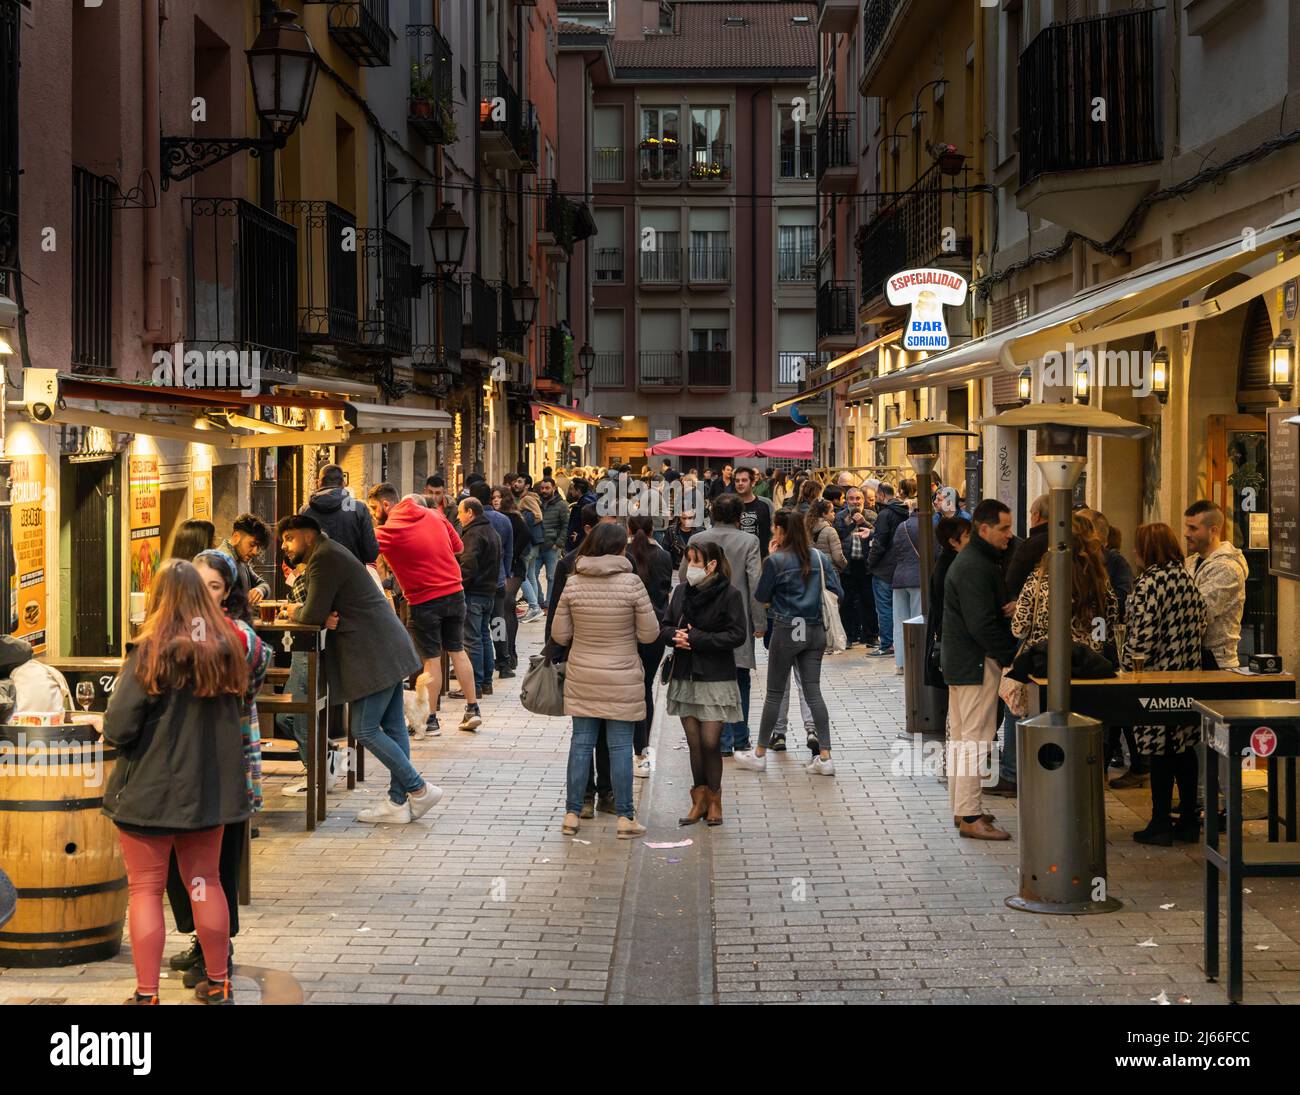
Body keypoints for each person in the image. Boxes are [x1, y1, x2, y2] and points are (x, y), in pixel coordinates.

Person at [102, 560, 249, 1005]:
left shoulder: (150, 652)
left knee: (145, 890)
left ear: (159, 599)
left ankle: (147, 995)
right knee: (205, 882)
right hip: (209, 795)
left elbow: (119, 726)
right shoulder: (227, 650)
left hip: (152, 795)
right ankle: (219, 981)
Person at [279, 514, 441, 825]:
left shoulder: (323, 558)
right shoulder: (330, 552)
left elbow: (312, 613)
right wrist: (319, 614)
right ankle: (396, 802)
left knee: (364, 729)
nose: (285, 546)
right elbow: (321, 612)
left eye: (290, 538)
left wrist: (293, 610)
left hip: (374, 653)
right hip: (386, 646)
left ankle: (418, 789)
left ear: (309, 536)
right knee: (393, 727)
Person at [163, 549, 270, 992]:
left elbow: (241, 659)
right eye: (199, 586)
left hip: (227, 768)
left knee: (218, 866)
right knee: (175, 863)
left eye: (214, 587)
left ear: (227, 593)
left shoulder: (240, 636)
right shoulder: (176, 632)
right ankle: (200, 937)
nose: (205, 596)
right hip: (179, 771)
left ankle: (218, 950)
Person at [551, 523, 661, 838]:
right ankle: (625, 818)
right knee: (620, 746)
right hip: (622, 674)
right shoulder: (633, 584)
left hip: (583, 672)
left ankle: (572, 814)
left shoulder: (573, 584)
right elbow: (650, 633)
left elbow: (560, 634)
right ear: (619, 549)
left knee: (581, 743)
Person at [735, 508, 843, 776]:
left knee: (774, 693)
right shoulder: (818, 557)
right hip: (815, 629)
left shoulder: (777, 561)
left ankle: (759, 753)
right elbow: (837, 590)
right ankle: (825, 757)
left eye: (774, 527)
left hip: (787, 629)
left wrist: (770, 559)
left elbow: (761, 595)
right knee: (813, 691)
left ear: (781, 530)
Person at [368, 484, 482, 736]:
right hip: (455, 592)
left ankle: (430, 720)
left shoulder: (386, 532)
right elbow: (458, 547)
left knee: (431, 660)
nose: (373, 513)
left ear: (386, 505)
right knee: (457, 650)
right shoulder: (436, 515)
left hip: (423, 600)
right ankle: (473, 709)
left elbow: (364, 554)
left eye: (373, 508)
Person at [1124, 523, 1208, 845]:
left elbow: (1142, 638)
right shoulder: (1186, 578)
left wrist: (1128, 663)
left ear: (1148, 549)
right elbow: (1201, 620)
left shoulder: (1150, 583)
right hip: (1188, 676)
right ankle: (1188, 821)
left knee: (1159, 751)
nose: (1135, 553)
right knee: (1185, 748)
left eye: (1139, 547)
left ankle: (1160, 822)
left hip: (1157, 678)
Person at [941, 499, 1018, 840]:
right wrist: (1009, 655)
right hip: (976, 662)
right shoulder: (975, 565)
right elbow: (980, 623)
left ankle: (963, 809)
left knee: (962, 739)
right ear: (983, 529)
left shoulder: (974, 561)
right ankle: (971, 815)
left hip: (964, 662)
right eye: (1003, 528)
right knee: (974, 738)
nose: (1009, 534)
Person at [663, 540, 746, 825]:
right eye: (687, 560)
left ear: (711, 565)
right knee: (694, 742)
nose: (689, 568)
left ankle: (715, 799)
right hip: (686, 675)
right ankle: (699, 801)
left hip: (715, 676)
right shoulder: (681, 592)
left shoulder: (730, 595)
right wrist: (675, 636)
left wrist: (696, 638)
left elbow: (737, 635)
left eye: (695, 561)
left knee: (711, 742)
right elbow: (665, 625)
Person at [677, 493, 764, 757]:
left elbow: (683, 577)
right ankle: (740, 736)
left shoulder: (697, 539)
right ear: (740, 516)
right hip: (736, 617)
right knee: (740, 678)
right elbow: (755, 582)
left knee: (711, 679)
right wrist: (759, 621)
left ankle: (719, 740)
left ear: (712, 514)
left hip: (701, 618)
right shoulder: (750, 541)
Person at [627, 515, 673, 775]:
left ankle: (627, 742)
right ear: (653, 529)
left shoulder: (624, 554)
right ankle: (642, 750)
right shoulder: (664, 556)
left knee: (629, 686)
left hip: (628, 628)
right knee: (646, 687)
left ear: (629, 529)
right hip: (656, 627)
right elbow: (665, 590)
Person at [1183, 499, 1247, 669]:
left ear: (1213, 531)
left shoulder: (1227, 568)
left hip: (1217, 662)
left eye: (1193, 528)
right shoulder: (1190, 561)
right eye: (1186, 526)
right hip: (1192, 659)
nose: (1186, 533)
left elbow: (1197, 612)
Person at [454, 497, 502, 701]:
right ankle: (486, 683)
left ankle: (476, 685)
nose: (458, 516)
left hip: (474, 593)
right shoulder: (491, 531)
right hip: (489, 591)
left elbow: (469, 565)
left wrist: (458, 585)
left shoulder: (473, 533)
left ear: (470, 512)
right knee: (483, 636)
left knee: (472, 639)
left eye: (460, 512)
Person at [924, 515, 971, 692]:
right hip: (955, 644)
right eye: (968, 535)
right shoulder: (953, 566)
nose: (972, 539)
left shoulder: (950, 562)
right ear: (953, 541)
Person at [300, 464, 379, 565]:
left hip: (318, 576)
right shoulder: (359, 508)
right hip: (352, 576)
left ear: (317, 483)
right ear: (343, 483)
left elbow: (301, 551)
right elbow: (371, 554)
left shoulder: (305, 511)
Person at [866, 481, 908, 659]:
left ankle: (887, 644)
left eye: (877, 496)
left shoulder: (885, 514)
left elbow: (880, 542)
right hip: (901, 566)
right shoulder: (905, 512)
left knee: (883, 607)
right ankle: (898, 643)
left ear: (882, 495)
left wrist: (870, 562)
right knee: (899, 608)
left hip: (883, 568)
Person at [493, 486, 532, 674]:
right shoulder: (492, 518)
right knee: (498, 612)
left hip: (514, 568)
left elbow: (526, 536)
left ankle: (510, 651)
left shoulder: (514, 518)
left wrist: (512, 553)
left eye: (499, 497)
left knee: (507, 603)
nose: (496, 500)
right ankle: (502, 653)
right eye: (493, 497)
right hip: (498, 569)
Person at [834, 486, 879, 648]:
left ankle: (871, 636)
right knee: (846, 603)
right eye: (851, 499)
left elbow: (878, 533)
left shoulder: (872, 515)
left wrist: (863, 522)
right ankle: (848, 636)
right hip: (847, 565)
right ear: (846, 501)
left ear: (863, 500)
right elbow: (838, 536)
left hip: (866, 565)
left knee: (869, 602)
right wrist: (851, 522)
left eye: (858, 498)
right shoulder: (839, 517)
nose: (855, 502)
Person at [884, 504, 924, 675]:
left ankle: (901, 663)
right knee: (918, 621)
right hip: (919, 579)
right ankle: (917, 661)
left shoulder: (902, 526)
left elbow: (895, 551)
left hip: (899, 578)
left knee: (900, 623)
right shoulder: (929, 527)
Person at [218, 513, 271, 605]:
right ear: (236, 537)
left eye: (258, 547)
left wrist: (260, 590)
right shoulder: (220, 561)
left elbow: (263, 584)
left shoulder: (240, 559)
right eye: (252, 544)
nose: (255, 552)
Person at [1004, 493, 1050, 598]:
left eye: (1031, 514)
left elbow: (1012, 582)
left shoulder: (1031, 545)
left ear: (1037, 515)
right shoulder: (1068, 540)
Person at [514, 475, 545, 621]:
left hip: (529, 543)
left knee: (523, 576)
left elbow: (538, 516)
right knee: (531, 575)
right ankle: (536, 607)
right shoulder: (527, 498)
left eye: (520, 482)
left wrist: (522, 521)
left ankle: (534, 606)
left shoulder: (527, 499)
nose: (516, 484)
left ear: (527, 485)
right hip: (533, 543)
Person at [535, 477, 569, 604]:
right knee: (531, 575)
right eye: (542, 488)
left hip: (552, 546)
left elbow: (566, 526)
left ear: (554, 488)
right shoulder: (537, 503)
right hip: (538, 545)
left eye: (547, 488)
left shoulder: (562, 505)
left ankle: (549, 602)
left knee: (551, 577)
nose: (544, 491)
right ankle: (539, 600)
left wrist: (558, 543)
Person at [732, 467, 774, 559]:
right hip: (737, 557)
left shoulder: (766, 504)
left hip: (762, 557)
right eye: (737, 481)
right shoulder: (730, 505)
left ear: (753, 482)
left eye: (744, 480)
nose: (740, 483)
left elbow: (774, 529)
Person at [564, 477, 598, 552]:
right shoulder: (587, 501)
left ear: (578, 490)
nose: (570, 492)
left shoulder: (585, 503)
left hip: (579, 544)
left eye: (572, 489)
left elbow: (589, 522)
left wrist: (580, 536)